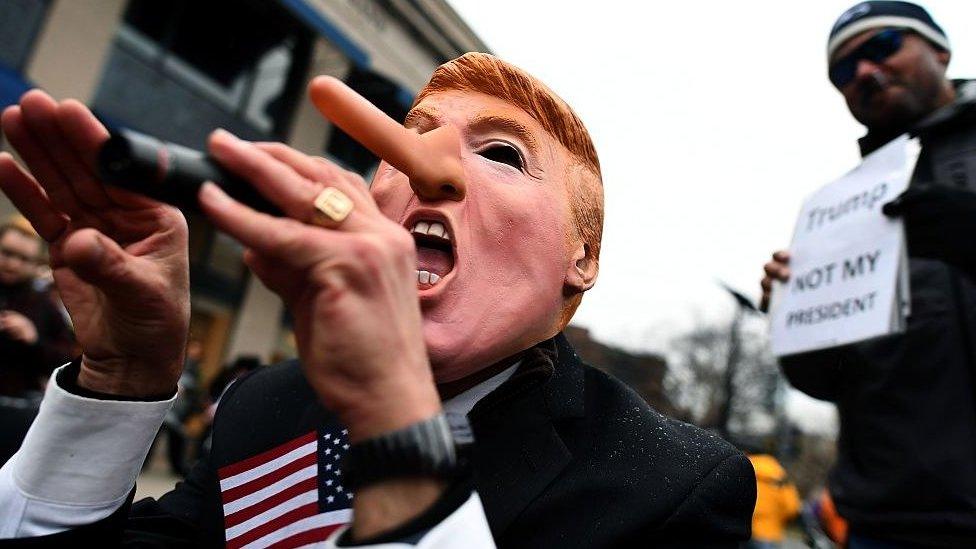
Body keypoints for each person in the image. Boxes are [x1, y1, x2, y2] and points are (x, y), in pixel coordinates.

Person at [0, 53, 756, 547]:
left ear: (582, 257)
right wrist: (125, 379)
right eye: (407, 137)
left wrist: (392, 416)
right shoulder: (264, 406)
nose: (427, 167)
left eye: (501, 153)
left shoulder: (673, 490)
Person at [760, 3, 976, 546]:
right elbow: (828, 379)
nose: (862, 72)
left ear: (941, 50)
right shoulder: (842, 207)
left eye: (882, 46)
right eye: (842, 70)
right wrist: (795, 316)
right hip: (887, 523)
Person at [0, 217, 74, 465]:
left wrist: (33, 339)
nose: (13, 263)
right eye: (7, 253)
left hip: (14, 413)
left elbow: (66, 361)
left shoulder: (44, 306)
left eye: (24, 259)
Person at [746, 453, 801, 549]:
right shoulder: (780, 477)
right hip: (769, 534)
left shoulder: (745, 469)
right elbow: (792, 507)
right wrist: (777, 518)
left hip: (744, 531)